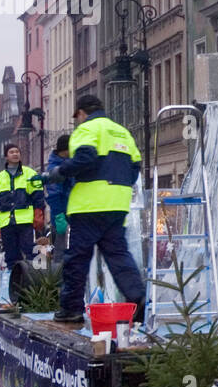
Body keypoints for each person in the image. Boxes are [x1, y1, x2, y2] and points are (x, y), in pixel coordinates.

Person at [48, 94, 146, 323]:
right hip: (118, 205)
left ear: (81, 113)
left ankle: (71, 309)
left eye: (78, 117)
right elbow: (134, 168)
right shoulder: (122, 132)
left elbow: (85, 158)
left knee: (77, 258)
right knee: (118, 255)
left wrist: (60, 172)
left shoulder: (86, 129)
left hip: (89, 206)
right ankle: (138, 297)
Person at [0, 143, 45, 268]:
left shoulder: (30, 174)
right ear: (6, 156)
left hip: (25, 221)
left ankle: (35, 277)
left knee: (30, 250)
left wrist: (38, 213)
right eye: (11, 152)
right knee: (11, 255)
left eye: (17, 151)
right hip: (7, 223)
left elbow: (38, 196)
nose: (15, 154)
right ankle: (15, 281)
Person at [44, 135, 74, 264]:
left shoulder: (69, 163)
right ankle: (59, 276)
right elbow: (54, 193)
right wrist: (59, 216)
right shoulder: (54, 168)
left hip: (73, 210)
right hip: (61, 214)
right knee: (60, 248)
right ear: (65, 149)